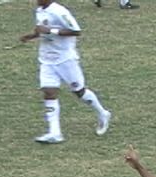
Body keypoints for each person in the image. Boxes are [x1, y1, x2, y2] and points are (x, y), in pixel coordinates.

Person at [20, 0, 112, 144]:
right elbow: (43, 30)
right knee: (49, 92)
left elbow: (76, 31)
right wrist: (32, 36)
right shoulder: (40, 10)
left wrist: (50, 31)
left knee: (79, 92)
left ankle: (103, 113)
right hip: (46, 59)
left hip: (65, 60)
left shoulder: (59, 11)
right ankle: (55, 133)